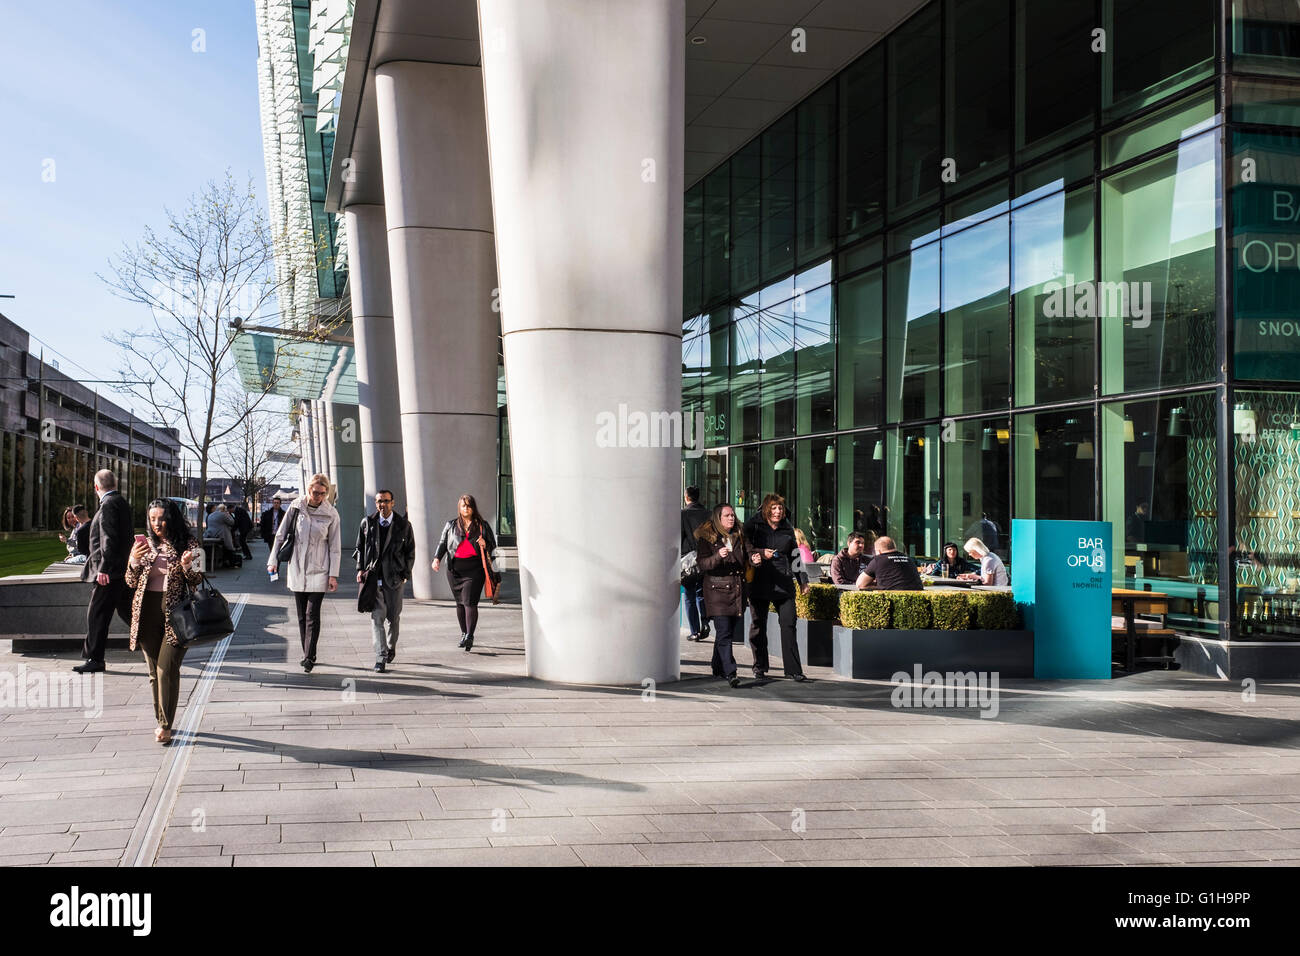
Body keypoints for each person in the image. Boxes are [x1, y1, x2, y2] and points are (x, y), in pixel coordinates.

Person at [125, 499, 202, 745]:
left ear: (173, 518)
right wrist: (134, 561)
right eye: (153, 518)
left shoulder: (190, 543)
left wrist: (187, 565)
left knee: (166, 669)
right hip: (146, 614)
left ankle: (165, 725)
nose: (157, 523)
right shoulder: (143, 544)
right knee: (153, 672)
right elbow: (130, 580)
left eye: (162, 518)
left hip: (176, 615)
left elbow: (197, 579)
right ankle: (161, 719)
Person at [268, 474, 341, 671]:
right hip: (297, 567)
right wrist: (273, 561)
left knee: (312, 613)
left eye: (323, 493)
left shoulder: (331, 513)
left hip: (320, 569)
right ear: (309, 490)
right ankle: (307, 651)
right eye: (315, 492)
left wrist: (333, 575)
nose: (318, 496)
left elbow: (335, 547)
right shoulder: (295, 507)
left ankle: (309, 656)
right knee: (301, 615)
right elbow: (281, 535)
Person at [743, 493, 810, 682]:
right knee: (758, 625)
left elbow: (795, 555)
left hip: (784, 582)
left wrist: (803, 580)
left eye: (780, 508)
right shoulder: (753, 526)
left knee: (789, 624)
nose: (778, 511)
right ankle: (759, 667)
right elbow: (744, 548)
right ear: (766, 509)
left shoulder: (787, 528)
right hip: (759, 580)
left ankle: (793, 669)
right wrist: (759, 553)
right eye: (774, 508)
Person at [74, 470, 134, 674]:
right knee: (128, 612)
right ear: (115, 483)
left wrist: (104, 569)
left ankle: (95, 659)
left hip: (109, 572)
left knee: (97, 615)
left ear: (96, 487)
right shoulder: (120, 502)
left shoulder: (108, 505)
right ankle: (157, 640)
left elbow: (109, 538)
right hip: (119, 570)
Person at [354, 489, 415, 672]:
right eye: (379, 501)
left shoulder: (403, 525)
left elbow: (410, 552)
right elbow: (359, 548)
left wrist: (405, 574)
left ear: (393, 502)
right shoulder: (368, 523)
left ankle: (390, 646)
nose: (383, 504)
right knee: (376, 618)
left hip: (395, 578)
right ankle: (380, 657)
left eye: (386, 501)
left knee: (393, 618)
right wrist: (360, 569)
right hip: (373, 578)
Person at [432, 494, 500, 652]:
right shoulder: (451, 525)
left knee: (470, 602)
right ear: (459, 508)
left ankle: (470, 635)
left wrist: (486, 544)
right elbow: (442, 543)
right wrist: (437, 558)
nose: (466, 508)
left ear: (473, 507)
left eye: (469, 505)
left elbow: (494, 547)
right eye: (463, 506)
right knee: (460, 603)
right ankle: (463, 633)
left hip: (475, 570)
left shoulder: (482, 525)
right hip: (454, 570)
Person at [693, 503, 749, 688]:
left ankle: (717, 666)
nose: (731, 518)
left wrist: (756, 558)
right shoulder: (707, 538)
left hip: (736, 591)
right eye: (727, 515)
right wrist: (718, 556)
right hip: (716, 591)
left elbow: (748, 555)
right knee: (724, 633)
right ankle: (730, 672)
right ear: (718, 518)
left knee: (726, 632)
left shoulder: (739, 535)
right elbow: (703, 564)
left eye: (733, 515)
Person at [680, 486, 710, 642]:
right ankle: (705, 622)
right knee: (701, 593)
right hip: (706, 559)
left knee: (689, 596)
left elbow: (679, 537)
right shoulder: (708, 514)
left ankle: (695, 631)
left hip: (688, 561)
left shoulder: (683, 514)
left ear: (686, 497)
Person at [855, 536, 924, 591]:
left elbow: (860, 584)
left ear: (878, 551)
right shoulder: (908, 559)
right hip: (917, 598)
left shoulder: (878, 560)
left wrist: (879, 586)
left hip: (893, 601)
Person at [204, 503, 240, 568]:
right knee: (228, 547)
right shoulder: (222, 515)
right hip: (222, 534)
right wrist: (228, 514)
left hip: (211, 534)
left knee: (224, 547)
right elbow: (232, 522)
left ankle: (225, 562)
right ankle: (231, 563)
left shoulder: (210, 515)